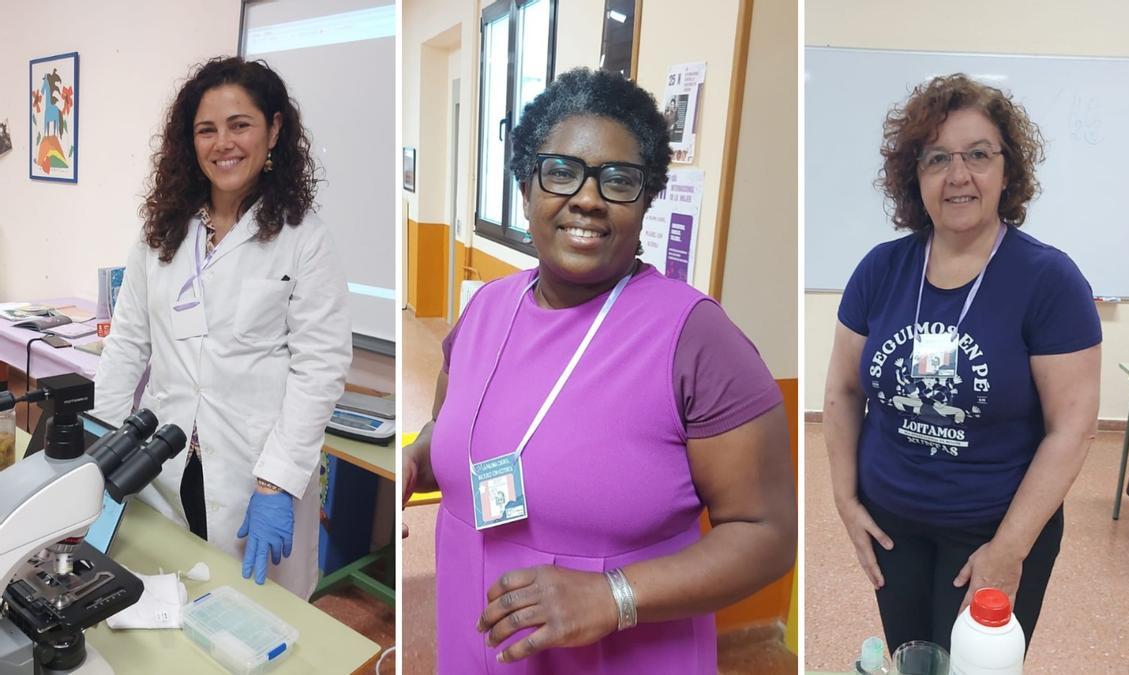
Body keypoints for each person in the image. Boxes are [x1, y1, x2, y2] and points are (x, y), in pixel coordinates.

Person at [402, 67, 795, 673]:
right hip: (472, 644)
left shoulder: (694, 339)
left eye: (618, 180)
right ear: (526, 186)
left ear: (645, 200)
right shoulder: (485, 309)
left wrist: (616, 597)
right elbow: (446, 432)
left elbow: (767, 535)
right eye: (562, 171)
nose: (586, 197)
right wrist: (415, 459)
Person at [823, 73, 1102, 655]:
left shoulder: (1048, 281)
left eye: (978, 155)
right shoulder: (881, 269)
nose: (958, 176)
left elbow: (1072, 428)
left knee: (976, 667)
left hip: (992, 529)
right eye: (937, 158)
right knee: (912, 660)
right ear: (914, 174)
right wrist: (846, 501)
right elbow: (844, 393)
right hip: (891, 525)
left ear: (1007, 170)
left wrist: (1010, 547)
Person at [92, 56, 351, 600]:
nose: (223, 144)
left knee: (258, 619)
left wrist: (276, 482)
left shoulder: (303, 238)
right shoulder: (161, 233)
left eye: (240, 125)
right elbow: (127, 345)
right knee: (164, 603)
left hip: (254, 473)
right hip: (160, 462)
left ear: (274, 130)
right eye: (206, 130)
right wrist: (103, 449)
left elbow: (319, 368)